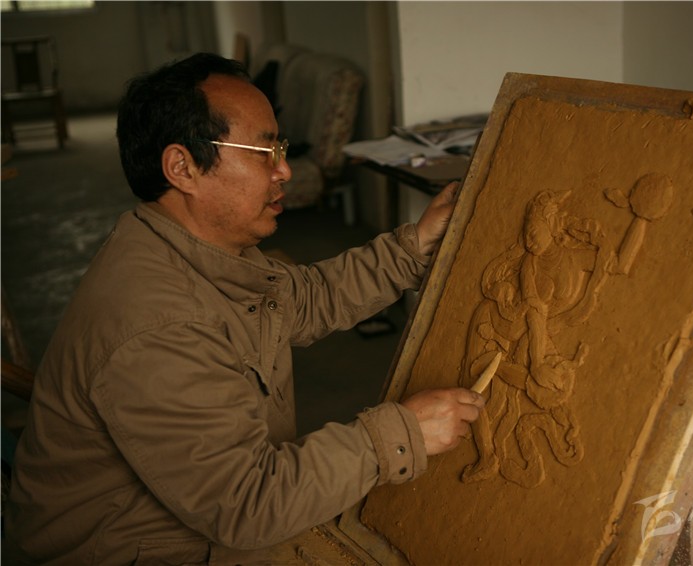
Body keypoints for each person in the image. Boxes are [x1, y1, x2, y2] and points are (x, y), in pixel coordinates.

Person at [5, 53, 484, 564]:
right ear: (183, 167)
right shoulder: (159, 323)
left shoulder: (196, 250)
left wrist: (414, 247)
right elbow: (247, 505)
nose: (283, 170)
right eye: (263, 151)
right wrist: (402, 434)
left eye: (280, 148)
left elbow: (306, 299)